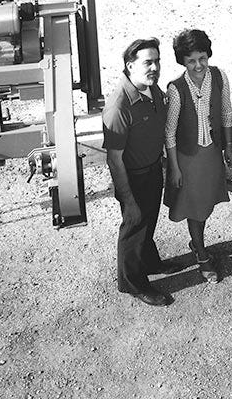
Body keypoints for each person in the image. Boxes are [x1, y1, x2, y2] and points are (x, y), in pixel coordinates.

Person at [102, 38, 182, 307]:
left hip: (152, 170)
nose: (155, 67)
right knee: (134, 225)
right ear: (130, 65)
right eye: (147, 62)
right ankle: (132, 283)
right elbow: (114, 159)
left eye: (157, 61)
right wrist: (128, 198)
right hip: (133, 177)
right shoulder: (119, 105)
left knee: (148, 222)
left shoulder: (151, 88)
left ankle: (151, 262)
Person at [165, 29, 232, 284]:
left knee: (206, 204)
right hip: (187, 158)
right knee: (196, 207)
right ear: (183, 61)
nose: (198, 65)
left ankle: (198, 245)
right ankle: (201, 252)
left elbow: (226, 112)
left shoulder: (218, 77)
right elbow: (170, 132)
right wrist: (174, 168)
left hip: (212, 153)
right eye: (191, 60)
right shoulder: (176, 89)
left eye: (202, 58)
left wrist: (228, 144)